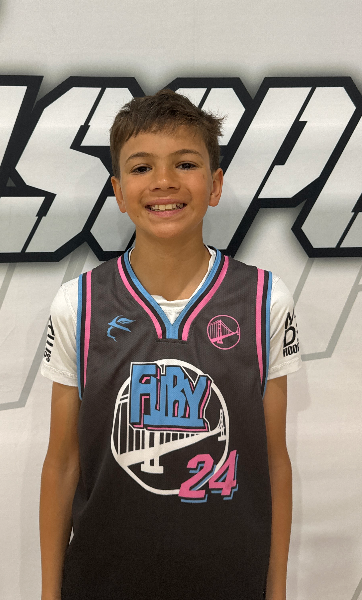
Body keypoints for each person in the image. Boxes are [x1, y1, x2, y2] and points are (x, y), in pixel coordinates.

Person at [40, 89, 301, 600]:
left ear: (215, 183)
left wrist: (277, 589)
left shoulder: (266, 299)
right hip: (103, 581)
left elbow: (273, 462)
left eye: (185, 163)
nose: (164, 181)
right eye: (142, 168)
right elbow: (63, 464)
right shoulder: (79, 303)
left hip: (230, 580)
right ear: (118, 191)